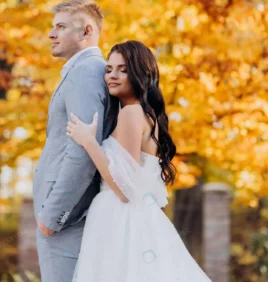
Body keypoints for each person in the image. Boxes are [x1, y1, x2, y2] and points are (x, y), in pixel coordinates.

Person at [66, 40, 213, 282]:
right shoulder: (142, 114)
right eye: (109, 69)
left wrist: (89, 142)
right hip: (130, 215)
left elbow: (124, 188)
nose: (113, 75)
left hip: (121, 217)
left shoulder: (131, 113)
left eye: (123, 69)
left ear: (139, 74)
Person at [32, 0, 119, 282]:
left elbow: (81, 149)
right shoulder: (82, 71)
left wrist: (52, 217)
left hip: (66, 221)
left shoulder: (86, 72)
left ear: (87, 31)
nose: (51, 34)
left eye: (61, 26)